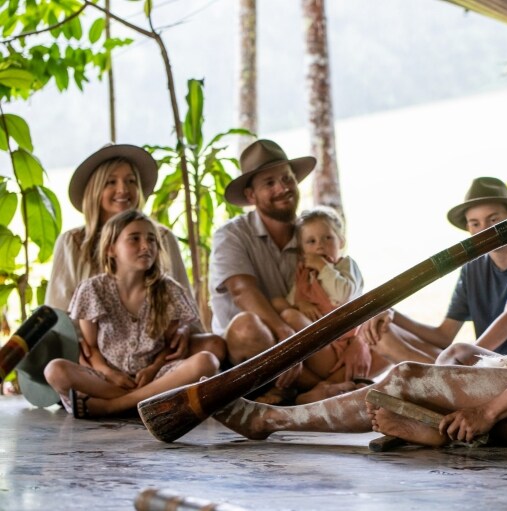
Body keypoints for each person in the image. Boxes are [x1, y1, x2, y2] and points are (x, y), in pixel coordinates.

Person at [213, 129, 507, 449]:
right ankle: (428, 428)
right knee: (458, 355)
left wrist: (487, 412)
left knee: (404, 379)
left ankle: (270, 421)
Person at [43, 144, 218, 364]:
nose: (123, 189)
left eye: (131, 181)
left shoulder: (162, 238)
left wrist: (183, 329)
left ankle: (127, 396)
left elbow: (185, 306)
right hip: (94, 356)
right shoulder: (73, 243)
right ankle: (132, 395)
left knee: (213, 347)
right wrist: (88, 353)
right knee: (60, 368)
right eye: (111, 182)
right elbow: (58, 316)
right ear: (95, 191)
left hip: (159, 355)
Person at [43, 210, 221, 418]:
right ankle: (146, 402)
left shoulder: (169, 290)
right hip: (107, 378)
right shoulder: (92, 290)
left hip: (156, 377)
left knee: (207, 361)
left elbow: (170, 348)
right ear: (111, 249)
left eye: (151, 240)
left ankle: (115, 406)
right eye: (134, 239)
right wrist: (110, 373)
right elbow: (91, 348)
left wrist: (154, 368)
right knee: (55, 370)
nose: (146, 246)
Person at [360, 177, 507, 365]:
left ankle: (447, 375)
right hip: (477, 361)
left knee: (456, 354)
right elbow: (444, 335)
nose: (486, 230)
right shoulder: (473, 267)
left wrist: (465, 357)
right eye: (475, 224)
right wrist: (391, 313)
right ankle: (445, 376)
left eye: (494, 219)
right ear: (468, 228)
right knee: (381, 333)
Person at [209, 139, 313, 375]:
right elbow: (242, 291)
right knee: (248, 328)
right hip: (248, 353)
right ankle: (316, 386)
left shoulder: (310, 233)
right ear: (251, 195)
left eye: (287, 178)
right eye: (269, 183)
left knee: (376, 323)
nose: (283, 188)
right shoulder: (230, 235)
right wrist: (284, 334)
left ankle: (317, 387)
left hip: (301, 336)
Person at [269, 206, 389, 403]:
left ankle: (320, 391)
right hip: (321, 350)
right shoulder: (303, 275)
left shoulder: (346, 266)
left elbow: (344, 293)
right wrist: (301, 303)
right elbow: (287, 303)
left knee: (385, 340)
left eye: (328, 238)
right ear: (302, 250)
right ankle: (323, 388)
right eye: (311, 241)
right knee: (290, 316)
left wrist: (323, 266)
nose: (320, 246)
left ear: (341, 241)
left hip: (347, 345)